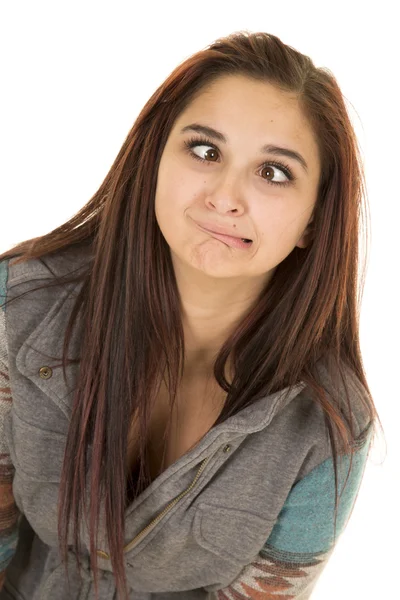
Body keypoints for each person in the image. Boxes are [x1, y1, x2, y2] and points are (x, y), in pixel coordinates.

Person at [0, 30, 382, 600]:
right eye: (205, 151)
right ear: (155, 160)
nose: (225, 196)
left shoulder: (330, 428)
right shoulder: (19, 304)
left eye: (273, 172)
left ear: (312, 222)